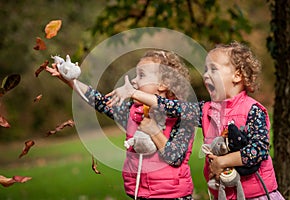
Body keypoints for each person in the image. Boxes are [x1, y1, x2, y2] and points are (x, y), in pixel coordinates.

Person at [108, 41, 285, 199]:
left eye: (213, 69)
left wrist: (223, 161)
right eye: (205, 69)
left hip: (257, 194)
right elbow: (171, 106)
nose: (206, 75)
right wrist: (134, 93)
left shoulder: (252, 110)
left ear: (237, 75)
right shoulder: (205, 110)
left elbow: (259, 150)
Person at [45, 50, 195, 199]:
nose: (134, 80)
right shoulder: (132, 112)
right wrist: (72, 82)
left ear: (163, 84)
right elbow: (100, 101)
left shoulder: (182, 117)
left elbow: (175, 158)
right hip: (140, 194)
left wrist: (153, 131)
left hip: (174, 196)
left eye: (141, 75)